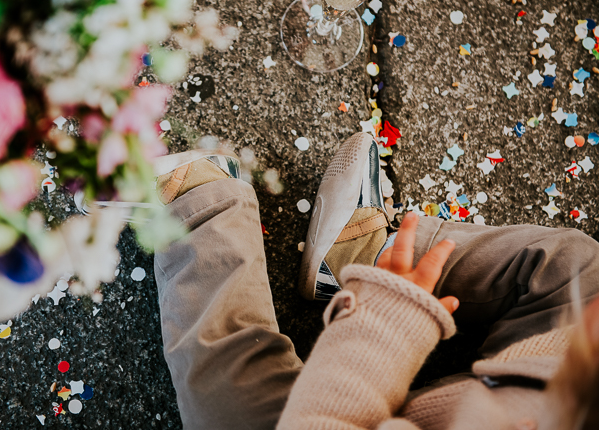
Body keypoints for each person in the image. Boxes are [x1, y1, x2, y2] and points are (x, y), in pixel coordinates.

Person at [151, 133, 599, 430]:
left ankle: (204, 209)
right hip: (537, 392)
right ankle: (359, 259)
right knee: (576, 267)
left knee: (227, 390)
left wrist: (385, 327)